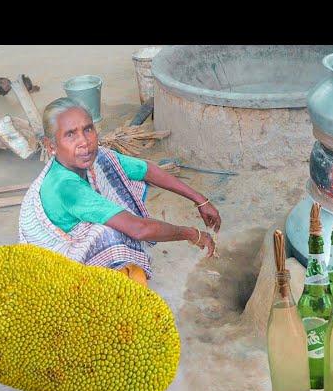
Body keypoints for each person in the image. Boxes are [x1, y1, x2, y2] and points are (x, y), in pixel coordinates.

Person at [19, 97, 221, 286]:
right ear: (51, 146)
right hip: (57, 271)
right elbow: (139, 229)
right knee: (112, 233)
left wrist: (200, 200)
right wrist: (192, 234)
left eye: (88, 129)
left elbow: (146, 170)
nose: (84, 142)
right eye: (70, 134)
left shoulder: (98, 158)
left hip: (76, 244)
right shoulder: (66, 187)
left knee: (116, 218)